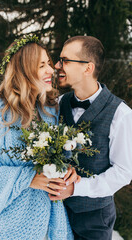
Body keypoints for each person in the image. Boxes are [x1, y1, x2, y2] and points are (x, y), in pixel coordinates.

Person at [0, 34, 77, 240]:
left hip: (50, 222)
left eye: (49, 63)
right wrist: (27, 178)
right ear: (23, 71)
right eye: (42, 65)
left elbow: (62, 158)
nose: (51, 70)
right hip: (8, 224)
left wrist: (67, 172)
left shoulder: (51, 109)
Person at [49, 36, 132, 240]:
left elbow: (123, 172)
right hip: (55, 213)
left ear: (88, 68)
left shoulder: (121, 114)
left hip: (94, 220)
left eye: (65, 60)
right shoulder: (59, 103)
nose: (57, 66)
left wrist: (76, 188)